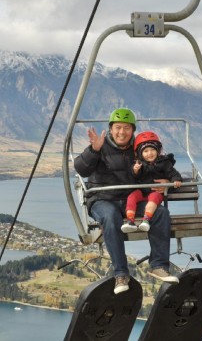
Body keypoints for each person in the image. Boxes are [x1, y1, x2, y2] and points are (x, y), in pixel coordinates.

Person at [74, 108, 179, 294]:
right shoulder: (100, 147)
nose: (122, 132)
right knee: (110, 216)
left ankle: (159, 266)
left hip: (131, 199)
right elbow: (82, 169)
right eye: (118, 127)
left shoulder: (139, 149)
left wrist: (166, 182)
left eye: (127, 128)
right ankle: (121, 273)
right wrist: (93, 150)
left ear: (133, 130)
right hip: (103, 200)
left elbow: (158, 167)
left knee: (161, 213)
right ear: (111, 128)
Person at [121, 131, 182, 234]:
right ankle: (130, 221)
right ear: (140, 154)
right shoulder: (139, 164)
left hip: (155, 192)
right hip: (142, 192)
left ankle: (146, 220)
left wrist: (175, 181)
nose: (150, 153)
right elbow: (134, 175)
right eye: (146, 151)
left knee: (154, 198)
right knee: (132, 197)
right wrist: (135, 170)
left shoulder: (164, 163)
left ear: (158, 151)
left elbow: (173, 173)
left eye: (152, 149)